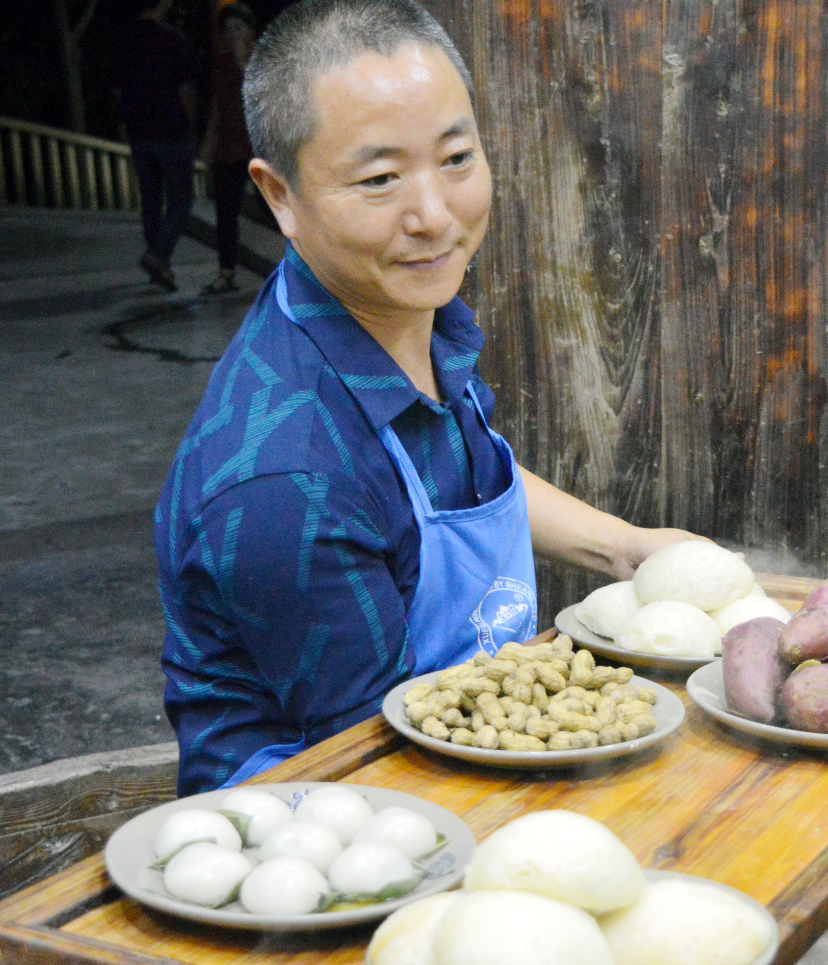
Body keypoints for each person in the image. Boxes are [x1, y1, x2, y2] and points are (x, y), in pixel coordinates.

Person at [155, 0, 700, 795]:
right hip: (334, 837)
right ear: (280, 197)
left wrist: (628, 548)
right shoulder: (286, 484)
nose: (435, 217)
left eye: (455, 158)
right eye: (379, 180)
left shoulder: (393, 311)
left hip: (457, 751)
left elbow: (454, 479)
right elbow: (384, 774)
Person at [110, 0, 196, 292]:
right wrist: (191, 123)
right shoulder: (173, 39)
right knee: (181, 201)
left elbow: (119, 89)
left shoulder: (122, 39)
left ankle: (160, 266)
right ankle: (157, 256)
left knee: (150, 200)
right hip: (171, 129)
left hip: (139, 131)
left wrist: (125, 121)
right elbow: (184, 87)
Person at [199, 0, 258, 296]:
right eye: (228, 29)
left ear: (250, 31)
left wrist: (240, 59)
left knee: (273, 208)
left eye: (239, 28)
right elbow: (217, 107)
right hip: (230, 147)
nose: (233, 34)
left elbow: (257, 94)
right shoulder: (220, 66)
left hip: (259, 146)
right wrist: (208, 145)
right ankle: (226, 272)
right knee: (225, 212)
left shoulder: (261, 59)